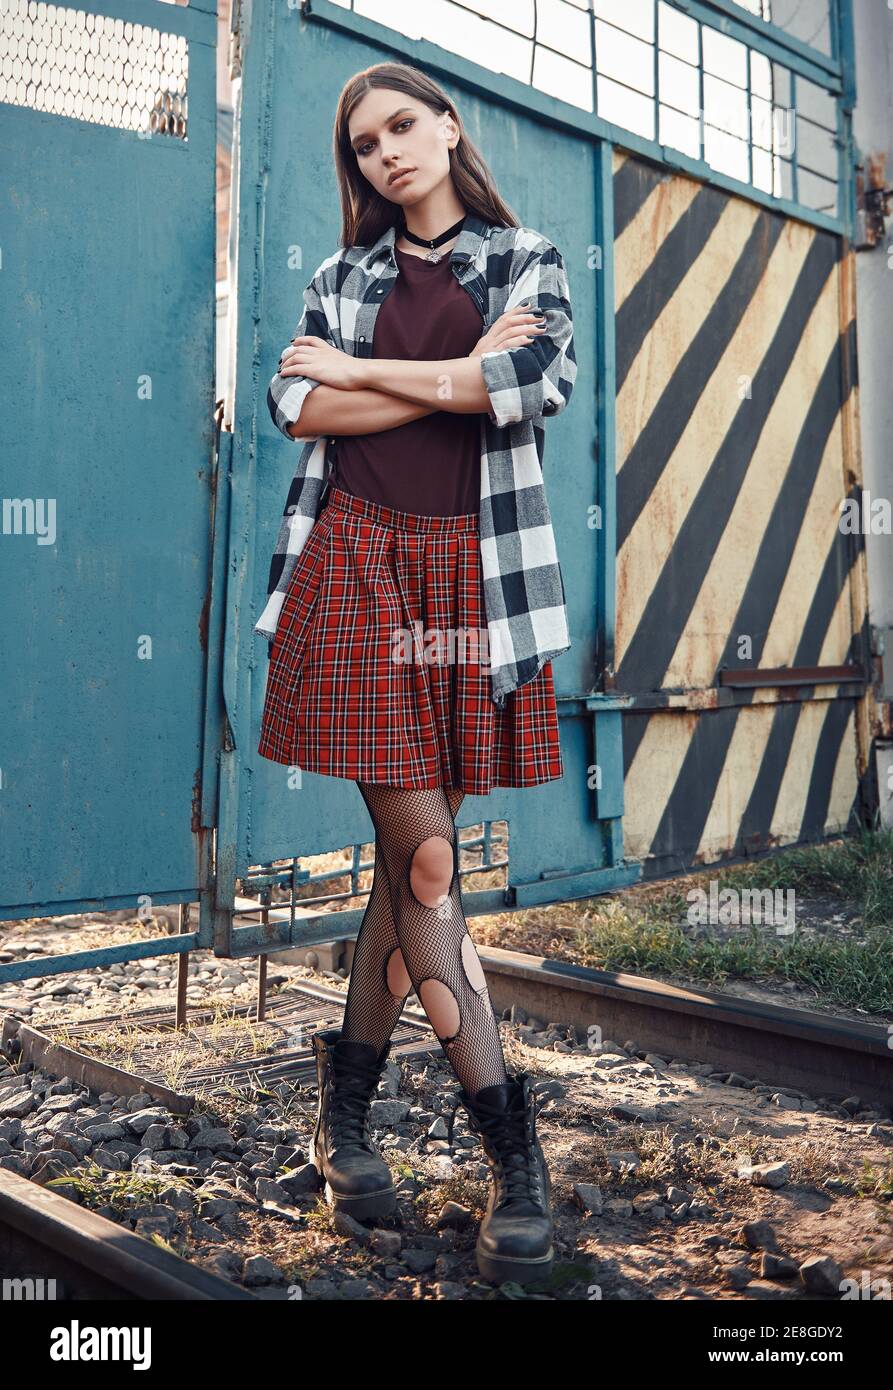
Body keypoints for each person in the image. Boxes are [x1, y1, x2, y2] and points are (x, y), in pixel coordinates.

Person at [255, 61, 576, 1286]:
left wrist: (363, 376)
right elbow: (296, 407)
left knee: (407, 869)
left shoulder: (525, 259)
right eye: (364, 143)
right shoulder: (340, 278)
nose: (387, 151)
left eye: (403, 125)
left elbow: (523, 385)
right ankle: (513, 1150)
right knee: (430, 858)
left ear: (446, 130)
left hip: (472, 586)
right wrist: (428, 385)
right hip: (354, 567)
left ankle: (341, 1120)